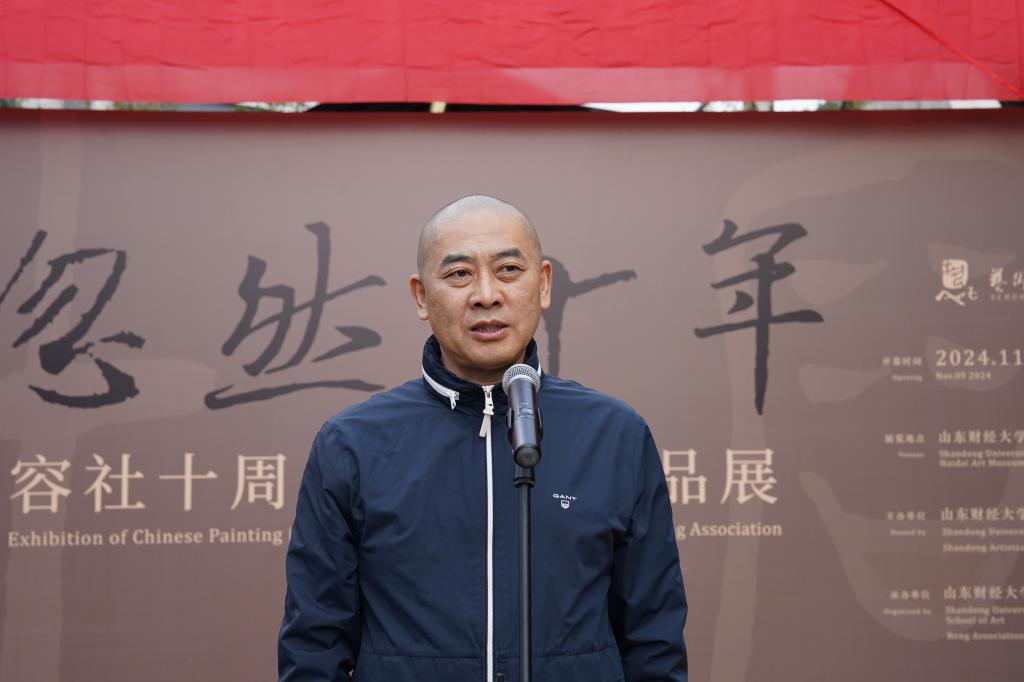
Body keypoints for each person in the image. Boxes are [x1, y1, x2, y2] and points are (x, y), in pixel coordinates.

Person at [278, 195, 688, 681]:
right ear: (421, 297)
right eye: (459, 274)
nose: (486, 295)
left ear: (544, 284)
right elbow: (314, 646)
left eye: (508, 269)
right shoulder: (352, 444)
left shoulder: (614, 434)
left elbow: (653, 638)